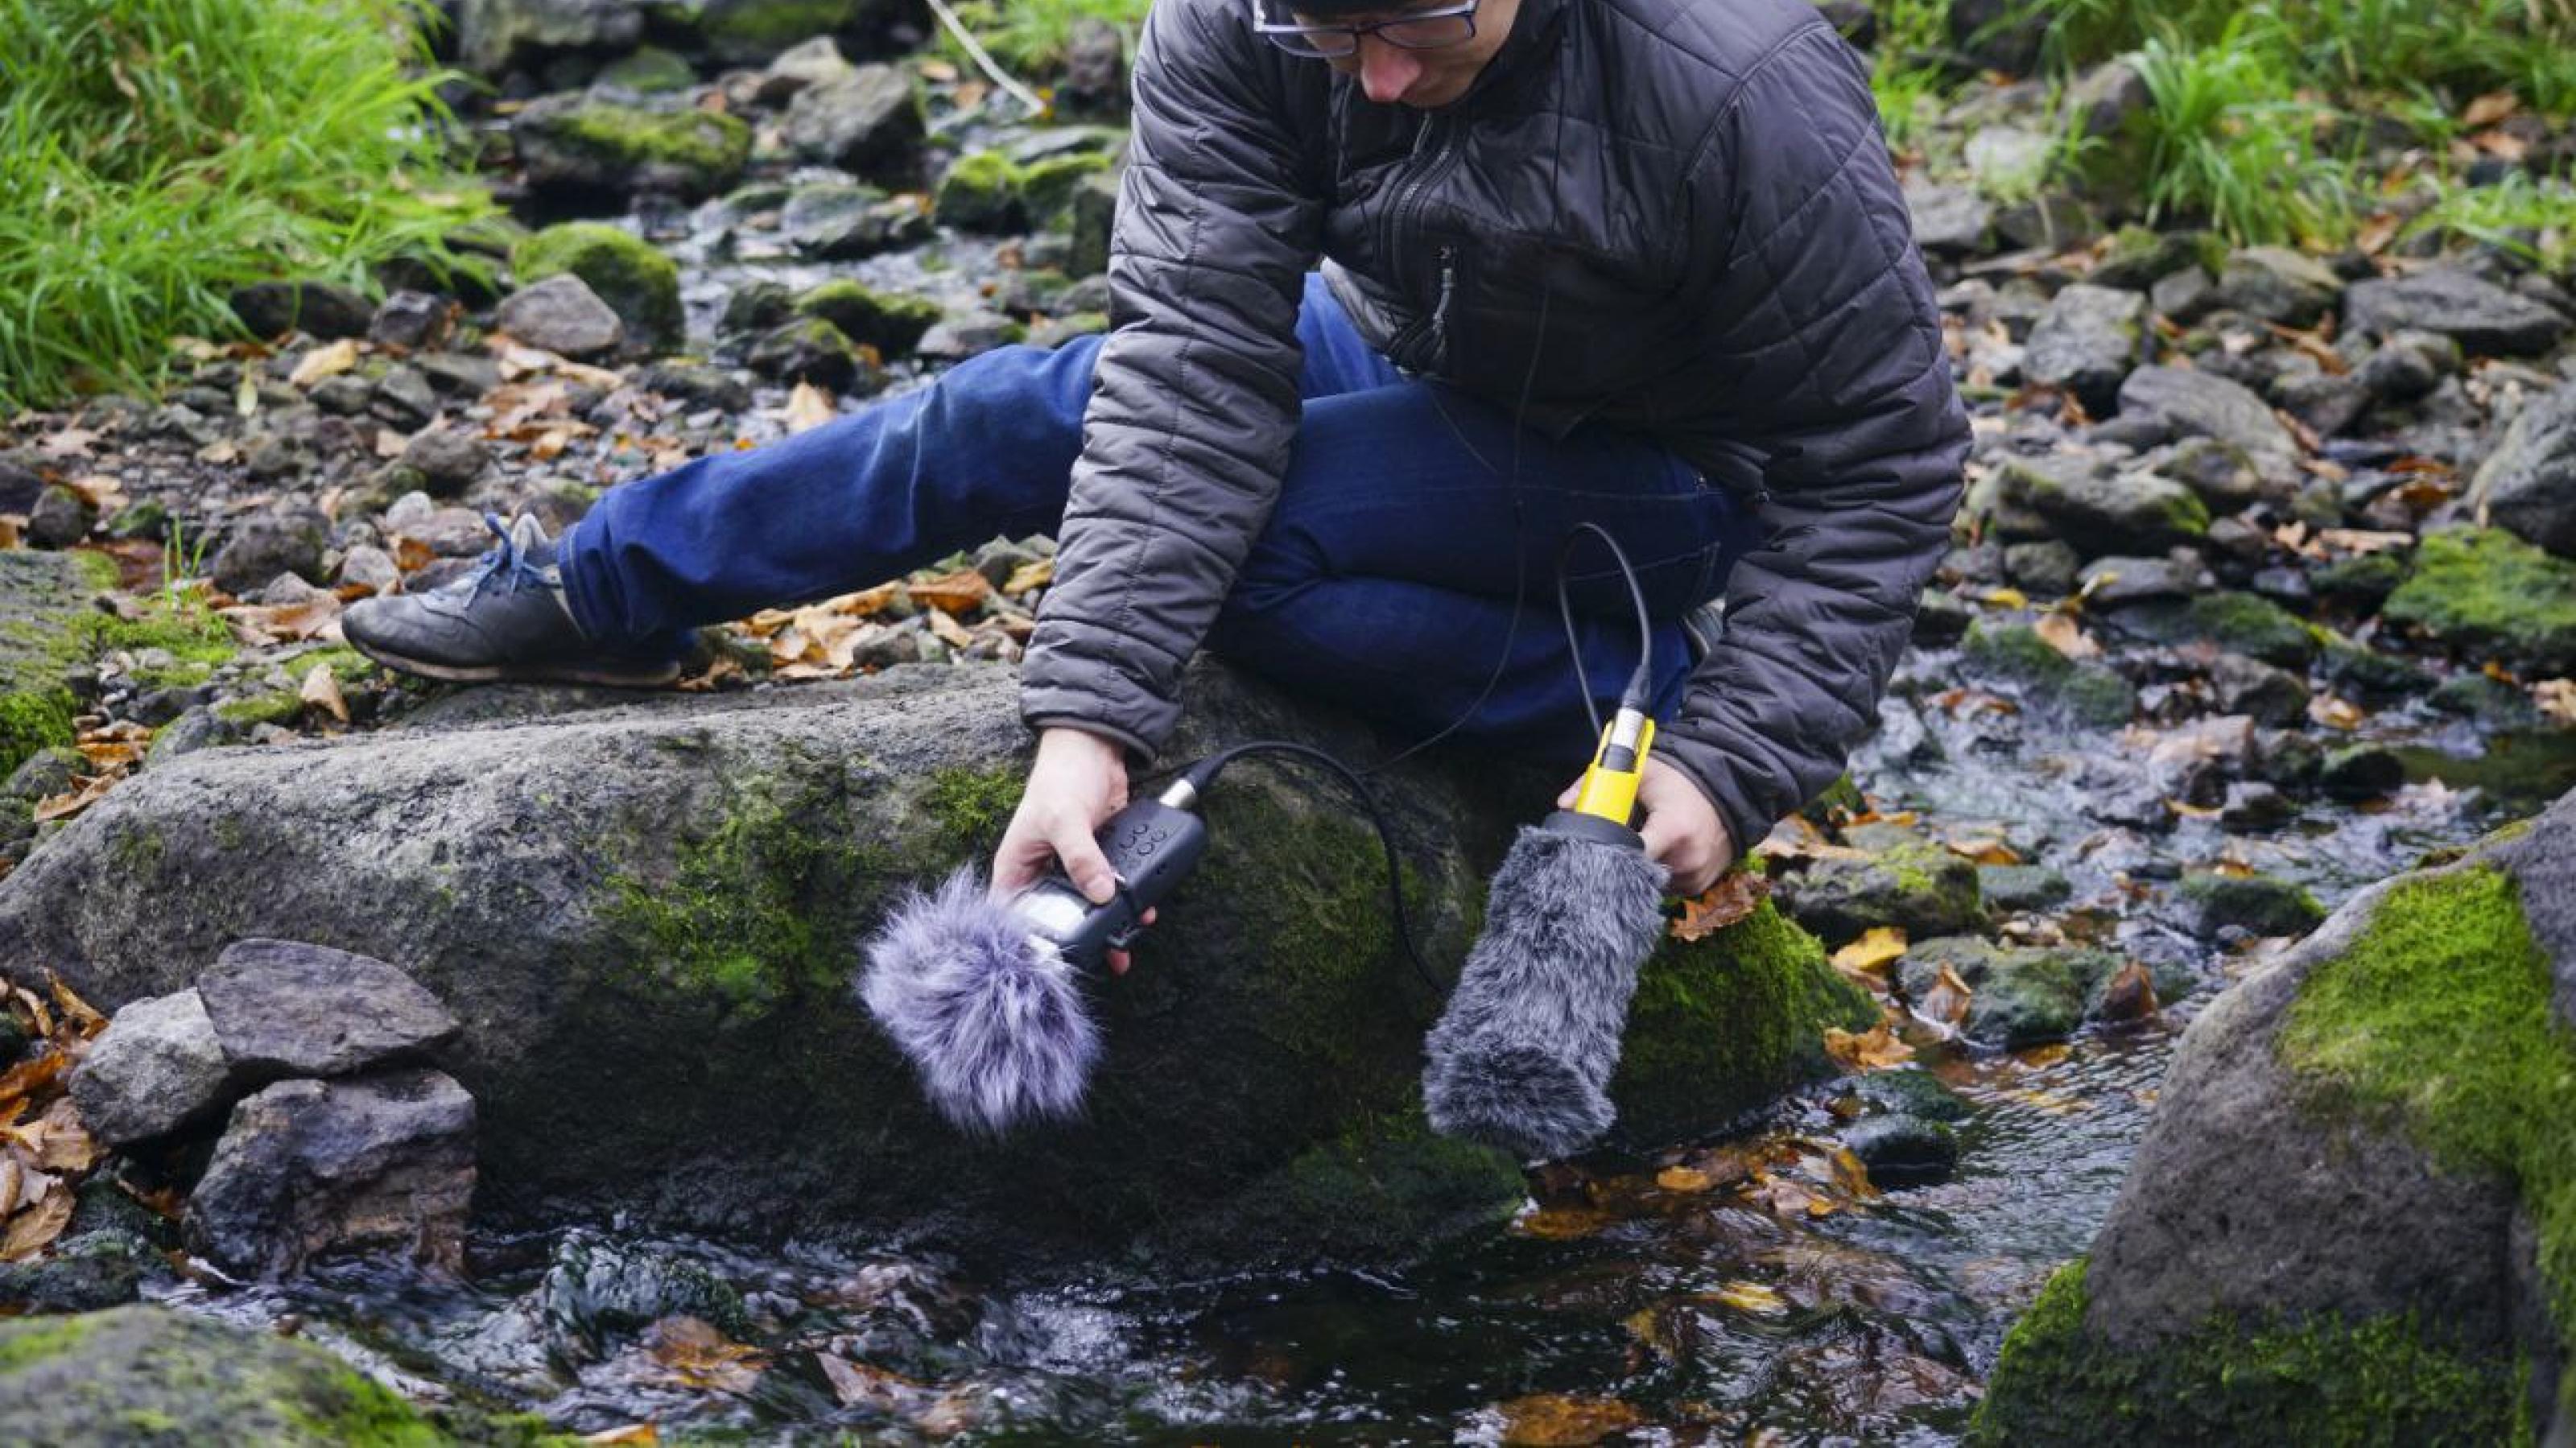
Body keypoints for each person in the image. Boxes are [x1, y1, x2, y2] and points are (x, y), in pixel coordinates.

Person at [345, 0, 1967, 947]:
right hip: (1409, 347)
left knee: (1267, 563)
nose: (1374, 78)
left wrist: (1732, 762)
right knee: (1015, 407)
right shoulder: (1242, 25)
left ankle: (1626, 689)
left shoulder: (1734, 79)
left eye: (1413, 24)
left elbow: (1881, 460)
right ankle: (611, 587)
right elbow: (1191, 366)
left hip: (1664, 467)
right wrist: (1085, 722)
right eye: (1330, 31)